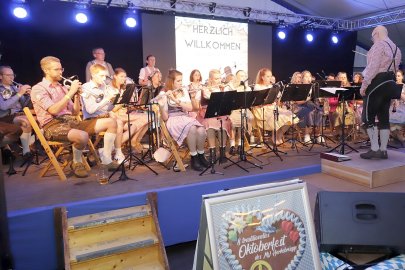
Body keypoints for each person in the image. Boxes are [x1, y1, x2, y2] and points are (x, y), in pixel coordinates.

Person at [31, 56, 115, 178]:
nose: (60, 72)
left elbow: (75, 112)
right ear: (46, 70)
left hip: (71, 122)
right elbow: (53, 110)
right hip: (52, 125)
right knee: (82, 135)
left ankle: (106, 159)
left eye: (61, 69)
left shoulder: (62, 87)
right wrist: (70, 92)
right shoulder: (38, 88)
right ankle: (76, 162)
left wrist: (76, 96)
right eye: (56, 69)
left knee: (111, 122)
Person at [360, 25, 402, 159]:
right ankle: (383, 150)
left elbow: (373, 67)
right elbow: (395, 70)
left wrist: (364, 85)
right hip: (390, 83)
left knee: (367, 117)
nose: (372, 40)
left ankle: (374, 148)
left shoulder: (379, 46)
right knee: (384, 117)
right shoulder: (397, 49)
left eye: (373, 37)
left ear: (376, 34)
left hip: (377, 83)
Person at [156, 69, 208, 171]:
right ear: (171, 81)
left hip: (185, 117)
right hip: (173, 119)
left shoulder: (183, 90)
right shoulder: (164, 92)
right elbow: (165, 117)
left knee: (201, 130)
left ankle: (201, 155)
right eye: (178, 81)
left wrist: (176, 100)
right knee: (192, 128)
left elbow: (190, 108)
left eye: (181, 80)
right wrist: (162, 106)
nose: (181, 83)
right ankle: (194, 157)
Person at [81, 64, 121, 169]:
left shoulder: (104, 87)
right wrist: (107, 99)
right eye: (101, 76)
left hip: (103, 117)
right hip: (90, 119)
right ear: (93, 75)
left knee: (118, 121)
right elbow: (90, 110)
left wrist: (114, 100)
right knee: (113, 122)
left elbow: (108, 108)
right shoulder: (86, 87)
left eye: (105, 76)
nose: (104, 79)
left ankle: (116, 153)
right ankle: (107, 158)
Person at [110, 68, 149, 158]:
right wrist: (122, 103)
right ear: (115, 77)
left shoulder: (123, 89)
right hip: (116, 116)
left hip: (124, 115)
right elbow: (111, 109)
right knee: (142, 120)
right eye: (121, 76)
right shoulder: (111, 89)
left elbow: (125, 107)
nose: (123, 79)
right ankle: (124, 145)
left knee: (148, 116)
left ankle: (134, 141)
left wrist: (135, 106)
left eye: (125, 77)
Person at [252, 68, 297, 145]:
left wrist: (276, 90)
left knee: (290, 115)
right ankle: (274, 136)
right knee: (277, 117)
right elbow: (258, 101)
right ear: (262, 77)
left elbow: (279, 97)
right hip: (262, 109)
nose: (270, 78)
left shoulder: (272, 86)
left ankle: (278, 136)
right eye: (267, 76)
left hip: (272, 107)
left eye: (270, 76)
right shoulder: (258, 86)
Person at [197, 69, 232, 164]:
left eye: (220, 78)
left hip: (220, 113)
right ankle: (212, 153)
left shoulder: (222, 88)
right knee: (210, 124)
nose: (219, 80)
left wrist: (223, 90)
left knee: (223, 123)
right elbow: (208, 99)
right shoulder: (205, 89)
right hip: (207, 113)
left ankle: (222, 153)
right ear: (210, 79)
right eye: (216, 79)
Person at [0, 66, 33, 159]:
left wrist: (29, 95)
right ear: (0, 76)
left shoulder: (16, 87)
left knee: (39, 121)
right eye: (8, 75)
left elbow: (25, 105)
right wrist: (19, 94)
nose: (12, 77)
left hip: (19, 114)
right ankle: (26, 152)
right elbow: (3, 106)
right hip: (5, 117)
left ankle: (29, 146)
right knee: (26, 121)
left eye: (12, 75)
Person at [226, 70, 255, 153]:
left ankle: (239, 144)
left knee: (246, 119)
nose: (242, 78)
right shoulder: (230, 86)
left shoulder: (247, 88)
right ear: (236, 77)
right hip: (233, 109)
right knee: (233, 121)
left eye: (244, 76)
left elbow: (249, 102)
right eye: (240, 76)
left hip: (243, 109)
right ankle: (232, 145)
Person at [389, 70, 405, 142]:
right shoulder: (392, 86)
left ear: (402, 77)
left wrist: (399, 92)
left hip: (401, 109)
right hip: (392, 109)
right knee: (392, 130)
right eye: (396, 76)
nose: (397, 77)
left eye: (399, 76)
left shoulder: (404, 86)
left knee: (398, 132)